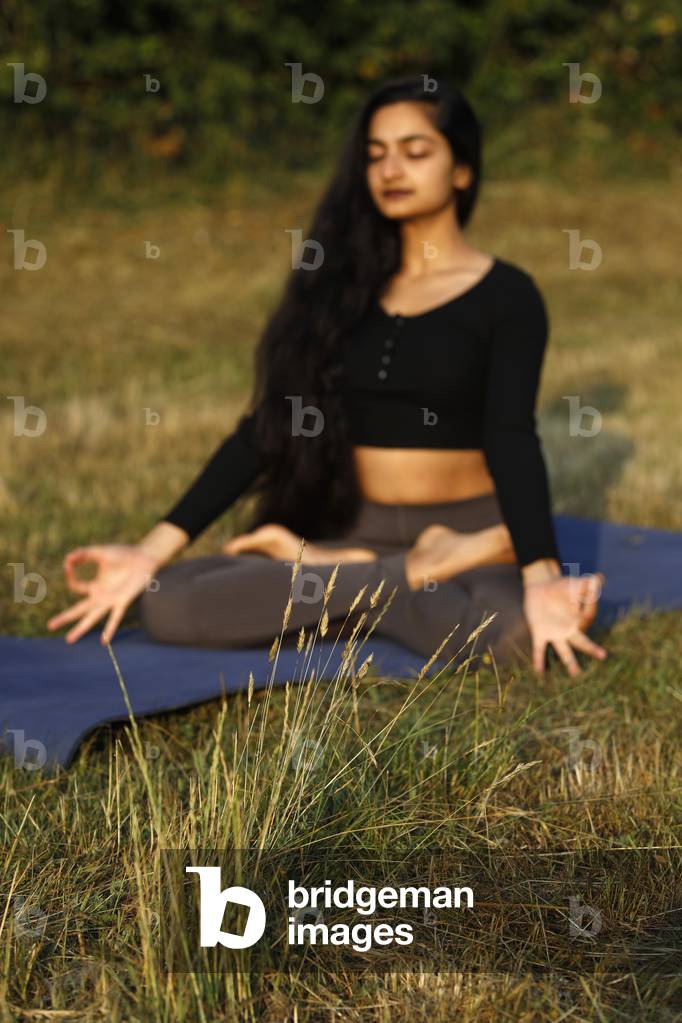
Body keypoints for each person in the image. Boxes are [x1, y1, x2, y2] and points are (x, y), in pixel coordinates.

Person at [47, 75, 607, 677]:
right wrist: (149, 551)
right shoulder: (337, 289)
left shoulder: (507, 296)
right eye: (376, 154)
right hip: (353, 527)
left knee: (522, 636)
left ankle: (342, 578)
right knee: (167, 603)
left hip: (472, 530)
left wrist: (542, 575)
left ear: (463, 171)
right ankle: (400, 574)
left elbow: (512, 435)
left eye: (416, 152)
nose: (392, 168)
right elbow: (269, 426)